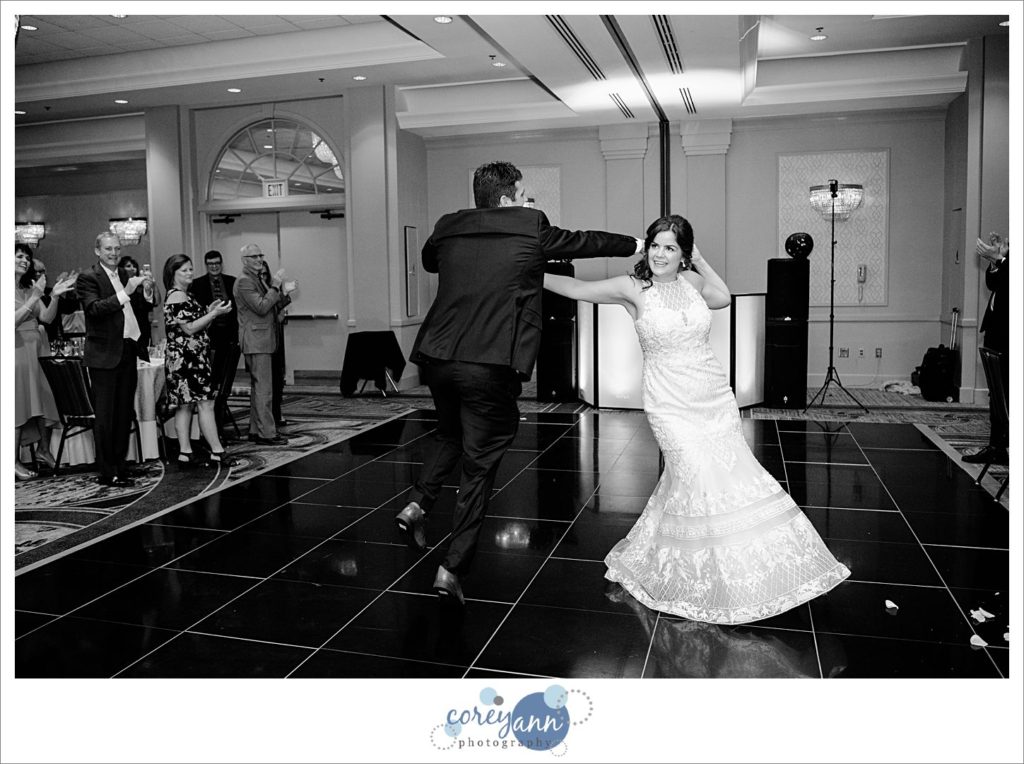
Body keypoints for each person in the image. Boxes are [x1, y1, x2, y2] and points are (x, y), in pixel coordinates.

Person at [542, 214, 851, 624]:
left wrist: (701, 261)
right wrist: (524, 269)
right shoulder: (632, 287)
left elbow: (723, 297)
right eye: (655, 245)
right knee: (695, 477)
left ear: (683, 253)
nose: (660, 254)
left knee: (727, 479)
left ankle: (739, 569)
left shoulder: (692, 282)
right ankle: (702, 576)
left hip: (712, 397)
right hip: (669, 403)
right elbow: (575, 288)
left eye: (670, 247)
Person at [394, 160, 644, 604]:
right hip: (488, 361)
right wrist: (636, 244)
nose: (530, 201)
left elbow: (430, 260)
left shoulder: (448, 225)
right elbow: (584, 242)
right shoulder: (529, 225)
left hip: (437, 357)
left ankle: (418, 504)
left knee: (452, 432)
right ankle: (451, 569)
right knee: (480, 463)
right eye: (524, 194)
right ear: (508, 198)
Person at [76, 232, 155, 487]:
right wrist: (126, 293)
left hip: (127, 350)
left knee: (124, 413)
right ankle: (107, 471)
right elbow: (94, 310)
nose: (114, 253)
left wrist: (147, 293)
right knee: (106, 416)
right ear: (97, 251)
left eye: (117, 249)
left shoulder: (123, 275)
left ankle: (121, 466)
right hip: (104, 356)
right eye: (108, 249)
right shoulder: (88, 278)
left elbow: (137, 310)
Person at [162, 254, 237, 468]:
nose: (189, 273)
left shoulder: (185, 295)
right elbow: (189, 328)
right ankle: (217, 451)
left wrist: (208, 310)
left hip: (188, 357)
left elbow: (191, 321)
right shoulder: (177, 296)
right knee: (205, 403)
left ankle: (185, 453)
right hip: (188, 360)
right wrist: (214, 314)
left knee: (185, 406)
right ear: (173, 273)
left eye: (190, 269)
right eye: (184, 270)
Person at [14, 244, 77, 479]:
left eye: (27, 257)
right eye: (19, 256)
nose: (25, 260)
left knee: (44, 401)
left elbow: (47, 317)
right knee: (18, 406)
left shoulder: (29, 287)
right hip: (15, 352)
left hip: (35, 350)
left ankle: (42, 450)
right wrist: (36, 297)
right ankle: (13, 461)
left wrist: (56, 296)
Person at [233, 243, 295, 445]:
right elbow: (261, 307)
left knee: (260, 388)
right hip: (256, 341)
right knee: (264, 389)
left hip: (263, 340)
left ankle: (255, 430)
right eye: (254, 256)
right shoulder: (244, 282)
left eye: (260, 255)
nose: (259, 259)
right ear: (244, 260)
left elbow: (272, 305)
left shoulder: (257, 278)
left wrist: (281, 292)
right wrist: (276, 285)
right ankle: (267, 434)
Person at [963, 232, 1009, 465]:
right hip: (996, 335)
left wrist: (1000, 260)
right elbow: (994, 283)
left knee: (1007, 395)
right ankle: (996, 447)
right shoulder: (1006, 266)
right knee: (997, 395)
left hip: (1009, 337)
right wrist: (995, 261)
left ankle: (1002, 446)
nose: (1006, 248)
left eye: (1009, 245)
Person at [189, 250, 240, 437]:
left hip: (230, 336)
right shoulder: (197, 284)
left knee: (225, 378)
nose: (214, 266)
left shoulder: (232, 281)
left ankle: (219, 413)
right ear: (206, 265)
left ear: (221, 263)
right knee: (211, 380)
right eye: (211, 264)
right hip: (209, 338)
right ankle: (211, 419)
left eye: (217, 263)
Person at [258, 260, 291, 428]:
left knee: (278, 380)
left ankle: (277, 412)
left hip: (276, 339)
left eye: (265, 274)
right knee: (265, 384)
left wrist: (284, 292)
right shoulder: (254, 289)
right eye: (260, 274)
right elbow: (263, 309)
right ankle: (267, 418)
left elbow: (278, 306)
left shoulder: (271, 288)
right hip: (261, 342)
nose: (263, 277)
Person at [117, 255, 158, 350]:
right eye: (128, 266)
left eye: (134, 266)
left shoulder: (142, 286)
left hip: (143, 328)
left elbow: (155, 302)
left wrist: (153, 285)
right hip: (126, 330)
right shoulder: (119, 288)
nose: (132, 269)